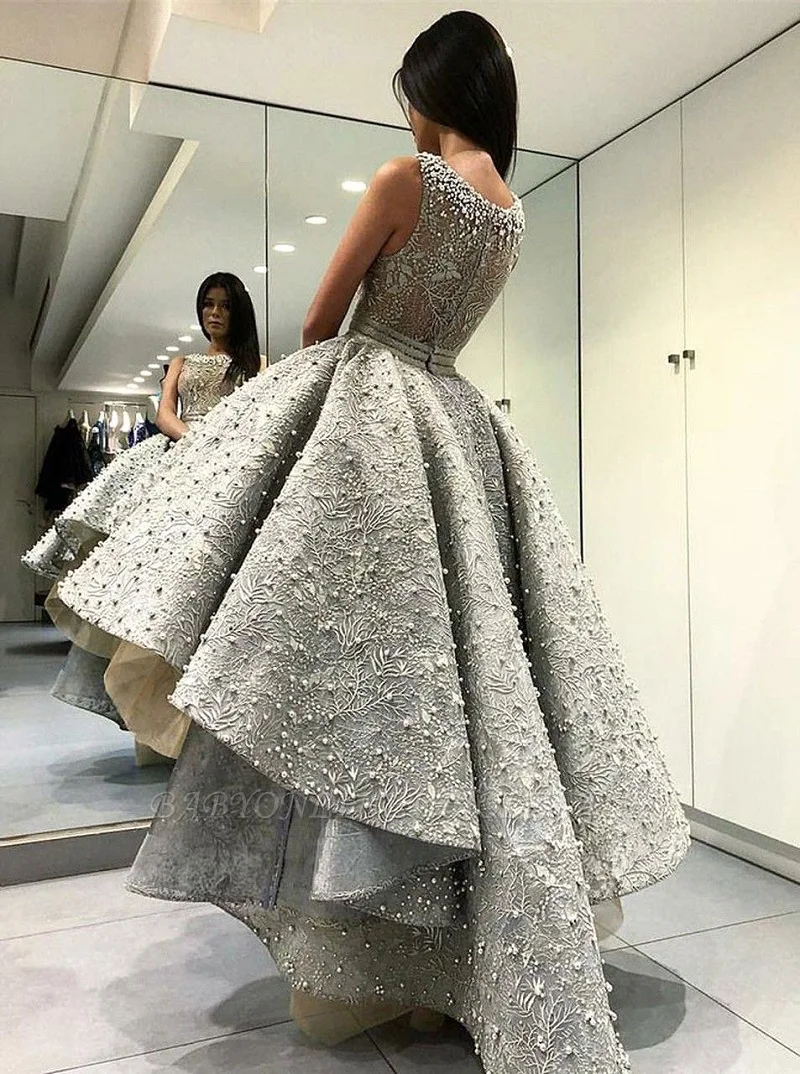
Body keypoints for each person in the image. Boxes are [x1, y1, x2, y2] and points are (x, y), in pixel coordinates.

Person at [54, 13, 688, 1072]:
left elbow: (317, 321)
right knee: (470, 691)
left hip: (375, 418)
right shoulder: (512, 211)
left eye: (409, 96)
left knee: (347, 682)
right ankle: (452, 949)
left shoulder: (408, 179)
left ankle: (365, 942)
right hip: (458, 423)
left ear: (431, 90)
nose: (407, 116)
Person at [23, 273, 265, 755]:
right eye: (208, 305)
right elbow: (164, 415)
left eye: (223, 306)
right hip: (185, 462)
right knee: (159, 571)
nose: (214, 314)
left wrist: (225, 447)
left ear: (238, 311)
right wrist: (199, 440)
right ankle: (157, 718)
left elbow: (262, 418)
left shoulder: (257, 365)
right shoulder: (182, 362)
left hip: (235, 468)